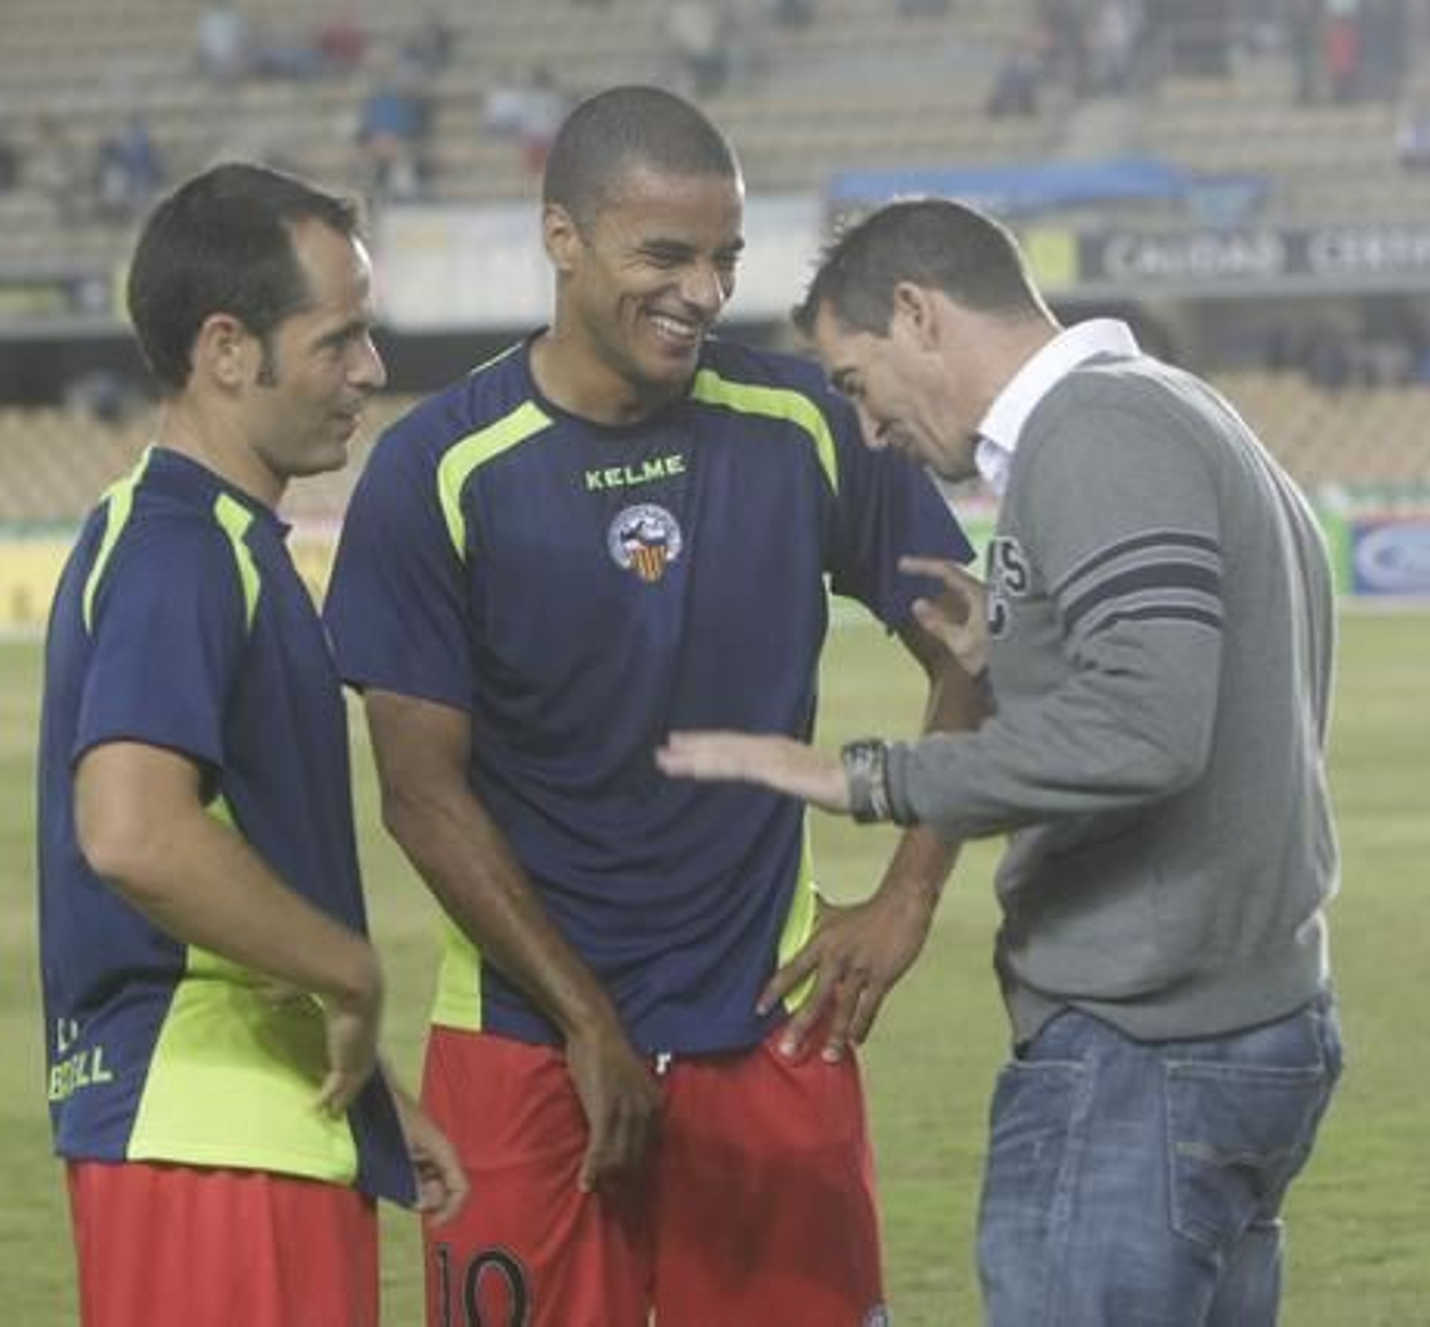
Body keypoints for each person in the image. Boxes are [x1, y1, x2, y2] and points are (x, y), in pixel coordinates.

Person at [324, 86, 982, 1325]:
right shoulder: (438, 469)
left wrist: (908, 894)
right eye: (664, 255)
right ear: (561, 236)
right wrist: (586, 1021)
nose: (703, 291)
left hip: (767, 1026)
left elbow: (975, 649)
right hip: (522, 1039)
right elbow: (419, 794)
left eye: (725, 257)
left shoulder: (801, 424)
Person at [657, 196, 1345, 1326]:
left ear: (918, 313)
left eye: (855, 381)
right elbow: (1188, 689)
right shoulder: (1170, 409)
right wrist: (1018, 652)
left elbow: (1148, 728)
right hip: (1236, 1024)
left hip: (1145, 1047)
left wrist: (867, 778)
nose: (867, 429)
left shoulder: (1098, 434)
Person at [35, 161, 467, 1326]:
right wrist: (352, 972)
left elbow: (254, 852)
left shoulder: (222, 543)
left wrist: (372, 1092)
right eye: (339, 338)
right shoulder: (179, 550)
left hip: (256, 1127)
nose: (369, 370)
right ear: (227, 349)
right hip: (210, 1148)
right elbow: (133, 831)